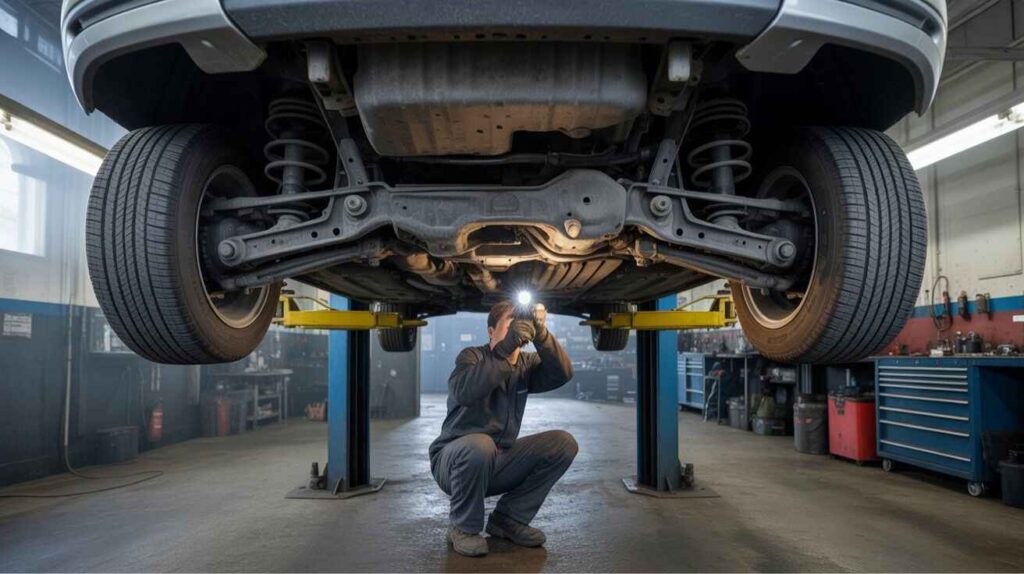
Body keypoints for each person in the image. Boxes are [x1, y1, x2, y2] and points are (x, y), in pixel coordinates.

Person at [429, 299, 576, 557]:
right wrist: (505, 351)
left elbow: (562, 373)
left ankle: (508, 519)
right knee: (480, 444)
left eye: (524, 322)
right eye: (511, 322)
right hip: (453, 463)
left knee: (562, 444)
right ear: (490, 331)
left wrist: (542, 335)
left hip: (498, 459)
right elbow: (464, 391)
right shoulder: (472, 356)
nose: (519, 328)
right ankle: (462, 528)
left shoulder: (526, 364)